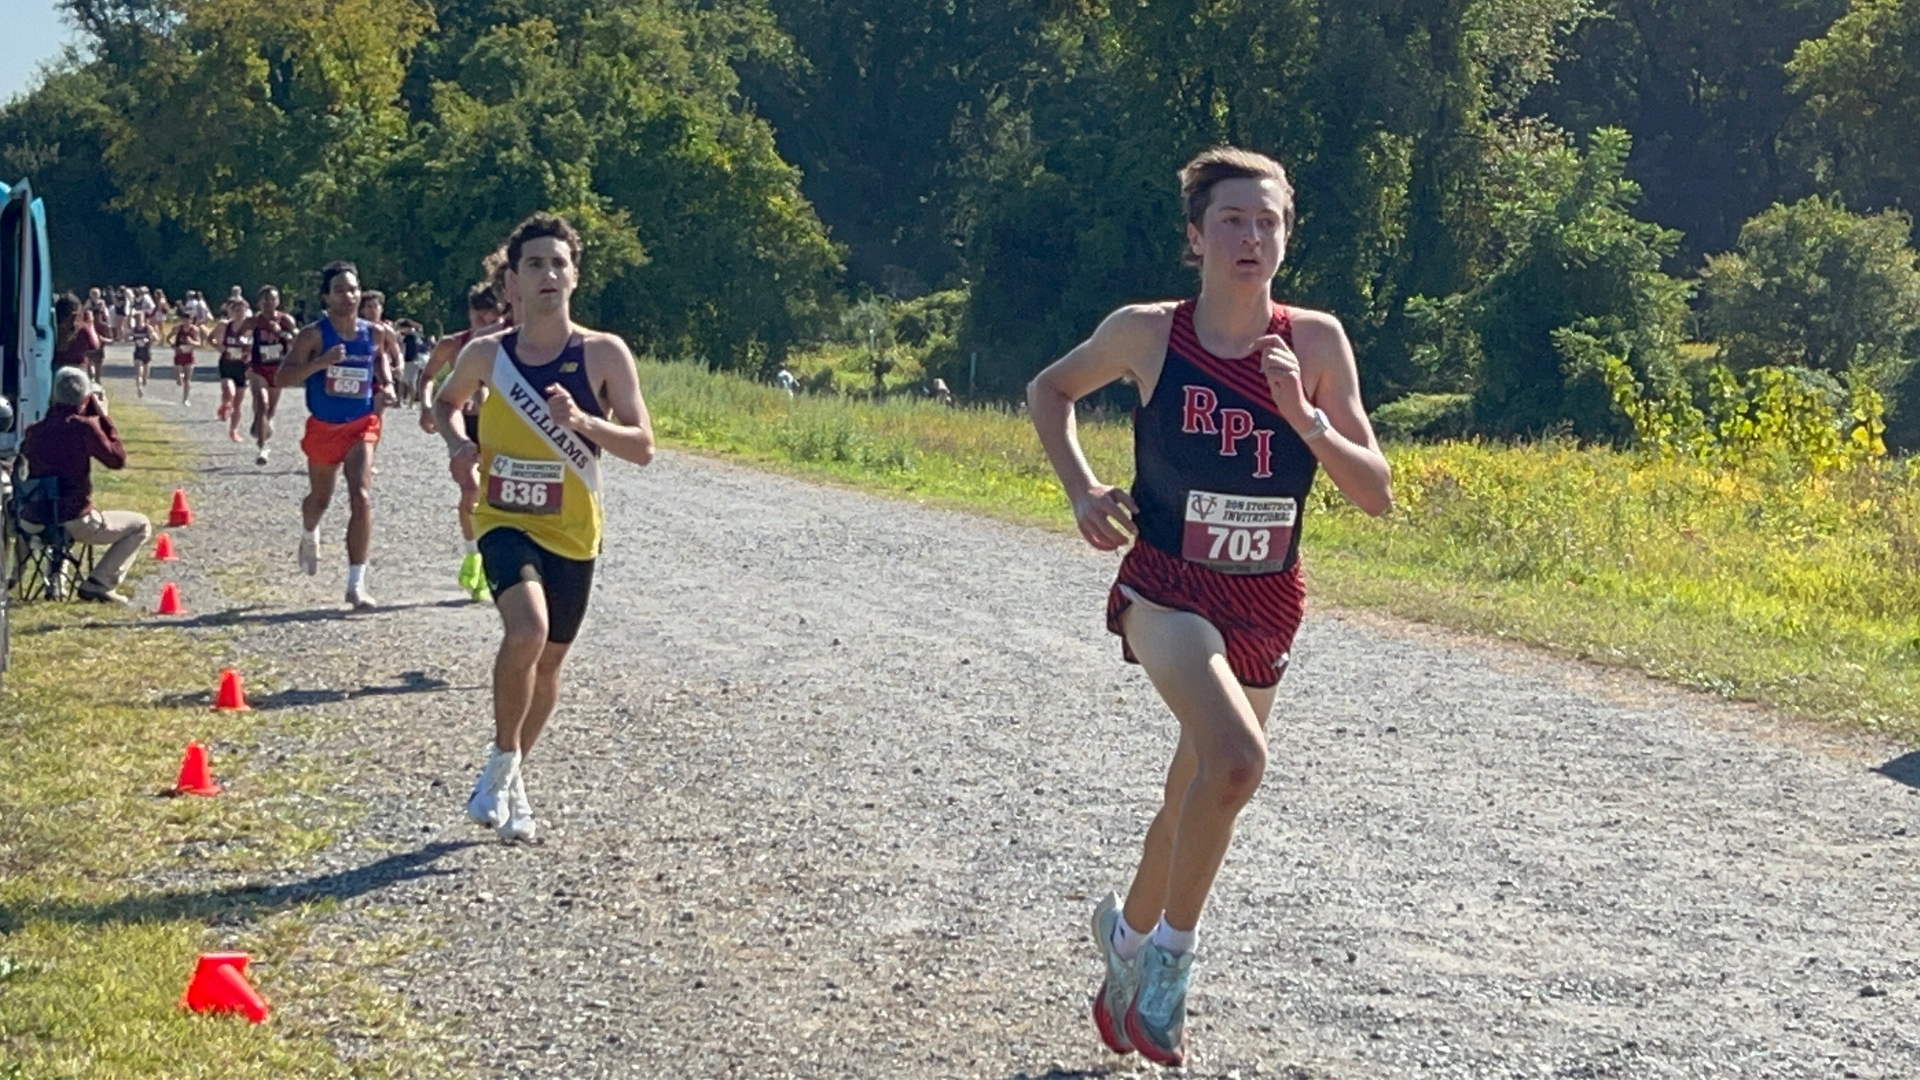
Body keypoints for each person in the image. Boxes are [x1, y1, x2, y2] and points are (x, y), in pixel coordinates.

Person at [1026, 147, 1393, 1067]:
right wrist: (1081, 489)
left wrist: (1303, 415)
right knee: (1236, 762)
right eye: (1232, 220)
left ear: (1287, 238)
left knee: (1191, 793)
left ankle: (1124, 941)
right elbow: (1049, 389)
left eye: (1268, 222)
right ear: (1195, 238)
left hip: (1266, 599)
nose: (1251, 237)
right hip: (1167, 586)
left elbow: (1376, 491)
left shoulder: (1316, 343)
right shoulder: (1150, 333)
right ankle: (1169, 969)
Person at [433, 213, 655, 842]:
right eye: (534, 264)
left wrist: (583, 421)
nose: (548, 274)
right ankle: (502, 761)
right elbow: (446, 403)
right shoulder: (487, 354)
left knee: (550, 663)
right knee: (526, 630)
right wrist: (459, 444)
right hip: (504, 519)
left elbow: (642, 446)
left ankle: (508, 781)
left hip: (574, 530)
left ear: (574, 276)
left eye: (559, 263)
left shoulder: (604, 353)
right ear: (512, 282)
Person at [275, 260, 400, 609]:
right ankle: (309, 531)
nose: (348, 296)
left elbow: (379, 360)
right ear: (326, 297)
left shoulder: (373, 333)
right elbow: (282, 377)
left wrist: (387, 384)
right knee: (320, 498)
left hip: (361, 424)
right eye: (340, 290)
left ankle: (356, 583)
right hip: (324, 427)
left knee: (361, 495)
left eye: (353, 289)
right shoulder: (314, 335)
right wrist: (321, 362)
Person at [19, 367, 153, 604]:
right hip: (74, 518)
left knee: (58, 509)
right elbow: (117, 460)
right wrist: (104, 419)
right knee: (141, 525)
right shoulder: (84, 428)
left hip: (34, 519)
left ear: (53, 395)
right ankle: (100, 582)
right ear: (85, 399)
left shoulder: (34, 431)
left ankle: (55, 582)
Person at [418, 280, 509, 601]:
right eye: (478, 317)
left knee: (494, 494)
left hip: (495, 426)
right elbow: (427, 376)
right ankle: (473, 556)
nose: (485, 324)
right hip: (462, 426)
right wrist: (426, 406)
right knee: (470, 489)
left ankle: (496, 555)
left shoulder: (507, 344)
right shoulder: (452, 345)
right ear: (469, 314)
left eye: (491, 318)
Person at [249, 286, 299, 466]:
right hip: (258, 367)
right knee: (262, 404)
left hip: (278, 368)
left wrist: (281, 333)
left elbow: (297, 339)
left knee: (270, 410)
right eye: (265, 299)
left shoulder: (285, 319)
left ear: (278, 301)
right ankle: (263, 448)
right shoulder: (254, 321)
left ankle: (262, 423)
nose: (268, 303)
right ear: (259, 302)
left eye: (272, 299)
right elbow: (240, 336)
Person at [211, 297, 253, 439]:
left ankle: (233, 430)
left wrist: (251, 361)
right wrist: (221, 349)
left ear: (247, 312)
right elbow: (210, 339)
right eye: (237, 311)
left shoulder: (252, 329)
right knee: (229, 390)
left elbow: (257, 347)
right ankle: (225, 405)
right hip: (227, 364)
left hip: (243, 366)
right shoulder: (225, 326)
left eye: (243, 311)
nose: (240, 313)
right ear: (232, 312)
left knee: (238, 403)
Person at [52, 294, 101, 383]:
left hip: (56, 370)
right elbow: (95, 346)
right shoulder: (82, 329)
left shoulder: (52, 328)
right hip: (78, 371)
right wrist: (91, 323)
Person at [170, 318, 201, 404]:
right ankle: (179, 377)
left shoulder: (194, 330)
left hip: (189, 355)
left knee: (187, 379)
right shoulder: (177, 329)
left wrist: (192, 342)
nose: (186, 322)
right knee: (179, 373)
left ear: (191, 321)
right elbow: (168, 338)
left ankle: (185, 399)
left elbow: (199, 343)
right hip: (179, 355)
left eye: (188, 320)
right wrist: (174, 346)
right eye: (185, 320)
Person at [128, 310, 155, 397]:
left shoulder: (148, 328)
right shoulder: (134, 329)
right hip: (138, 353)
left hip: (147, 352)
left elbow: (156, 338)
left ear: (143, 319)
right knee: (138, 372)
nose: (138, 320)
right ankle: (139, 389)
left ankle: (143, 383)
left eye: (139, 318)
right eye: (136, 319)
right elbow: (127, 336)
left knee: (145, 377)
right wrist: (130, 338)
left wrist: (149, 339)